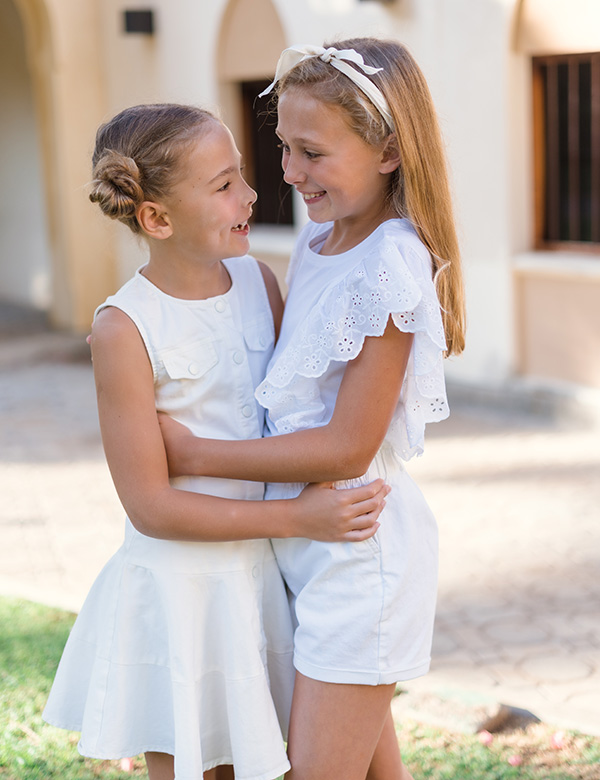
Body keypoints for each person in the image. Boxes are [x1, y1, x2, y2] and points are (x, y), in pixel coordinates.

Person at [42, 102, 390, 780]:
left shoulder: (260, 281)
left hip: (264, 579)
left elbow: (295, 414)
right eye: (225, 183)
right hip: (183, 595)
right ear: (158, 220)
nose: (252, 194)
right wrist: (295, 516)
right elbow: (151, 506)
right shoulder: (124, 328)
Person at [159, 39, 466, 780]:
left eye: (312, 152)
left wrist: (194, 453)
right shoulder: (320, 240)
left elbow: (345, 447)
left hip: (361, 558)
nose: (290, 173)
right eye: (284, 147)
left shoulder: (390, 261)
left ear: (388, 151)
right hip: (305, 552)